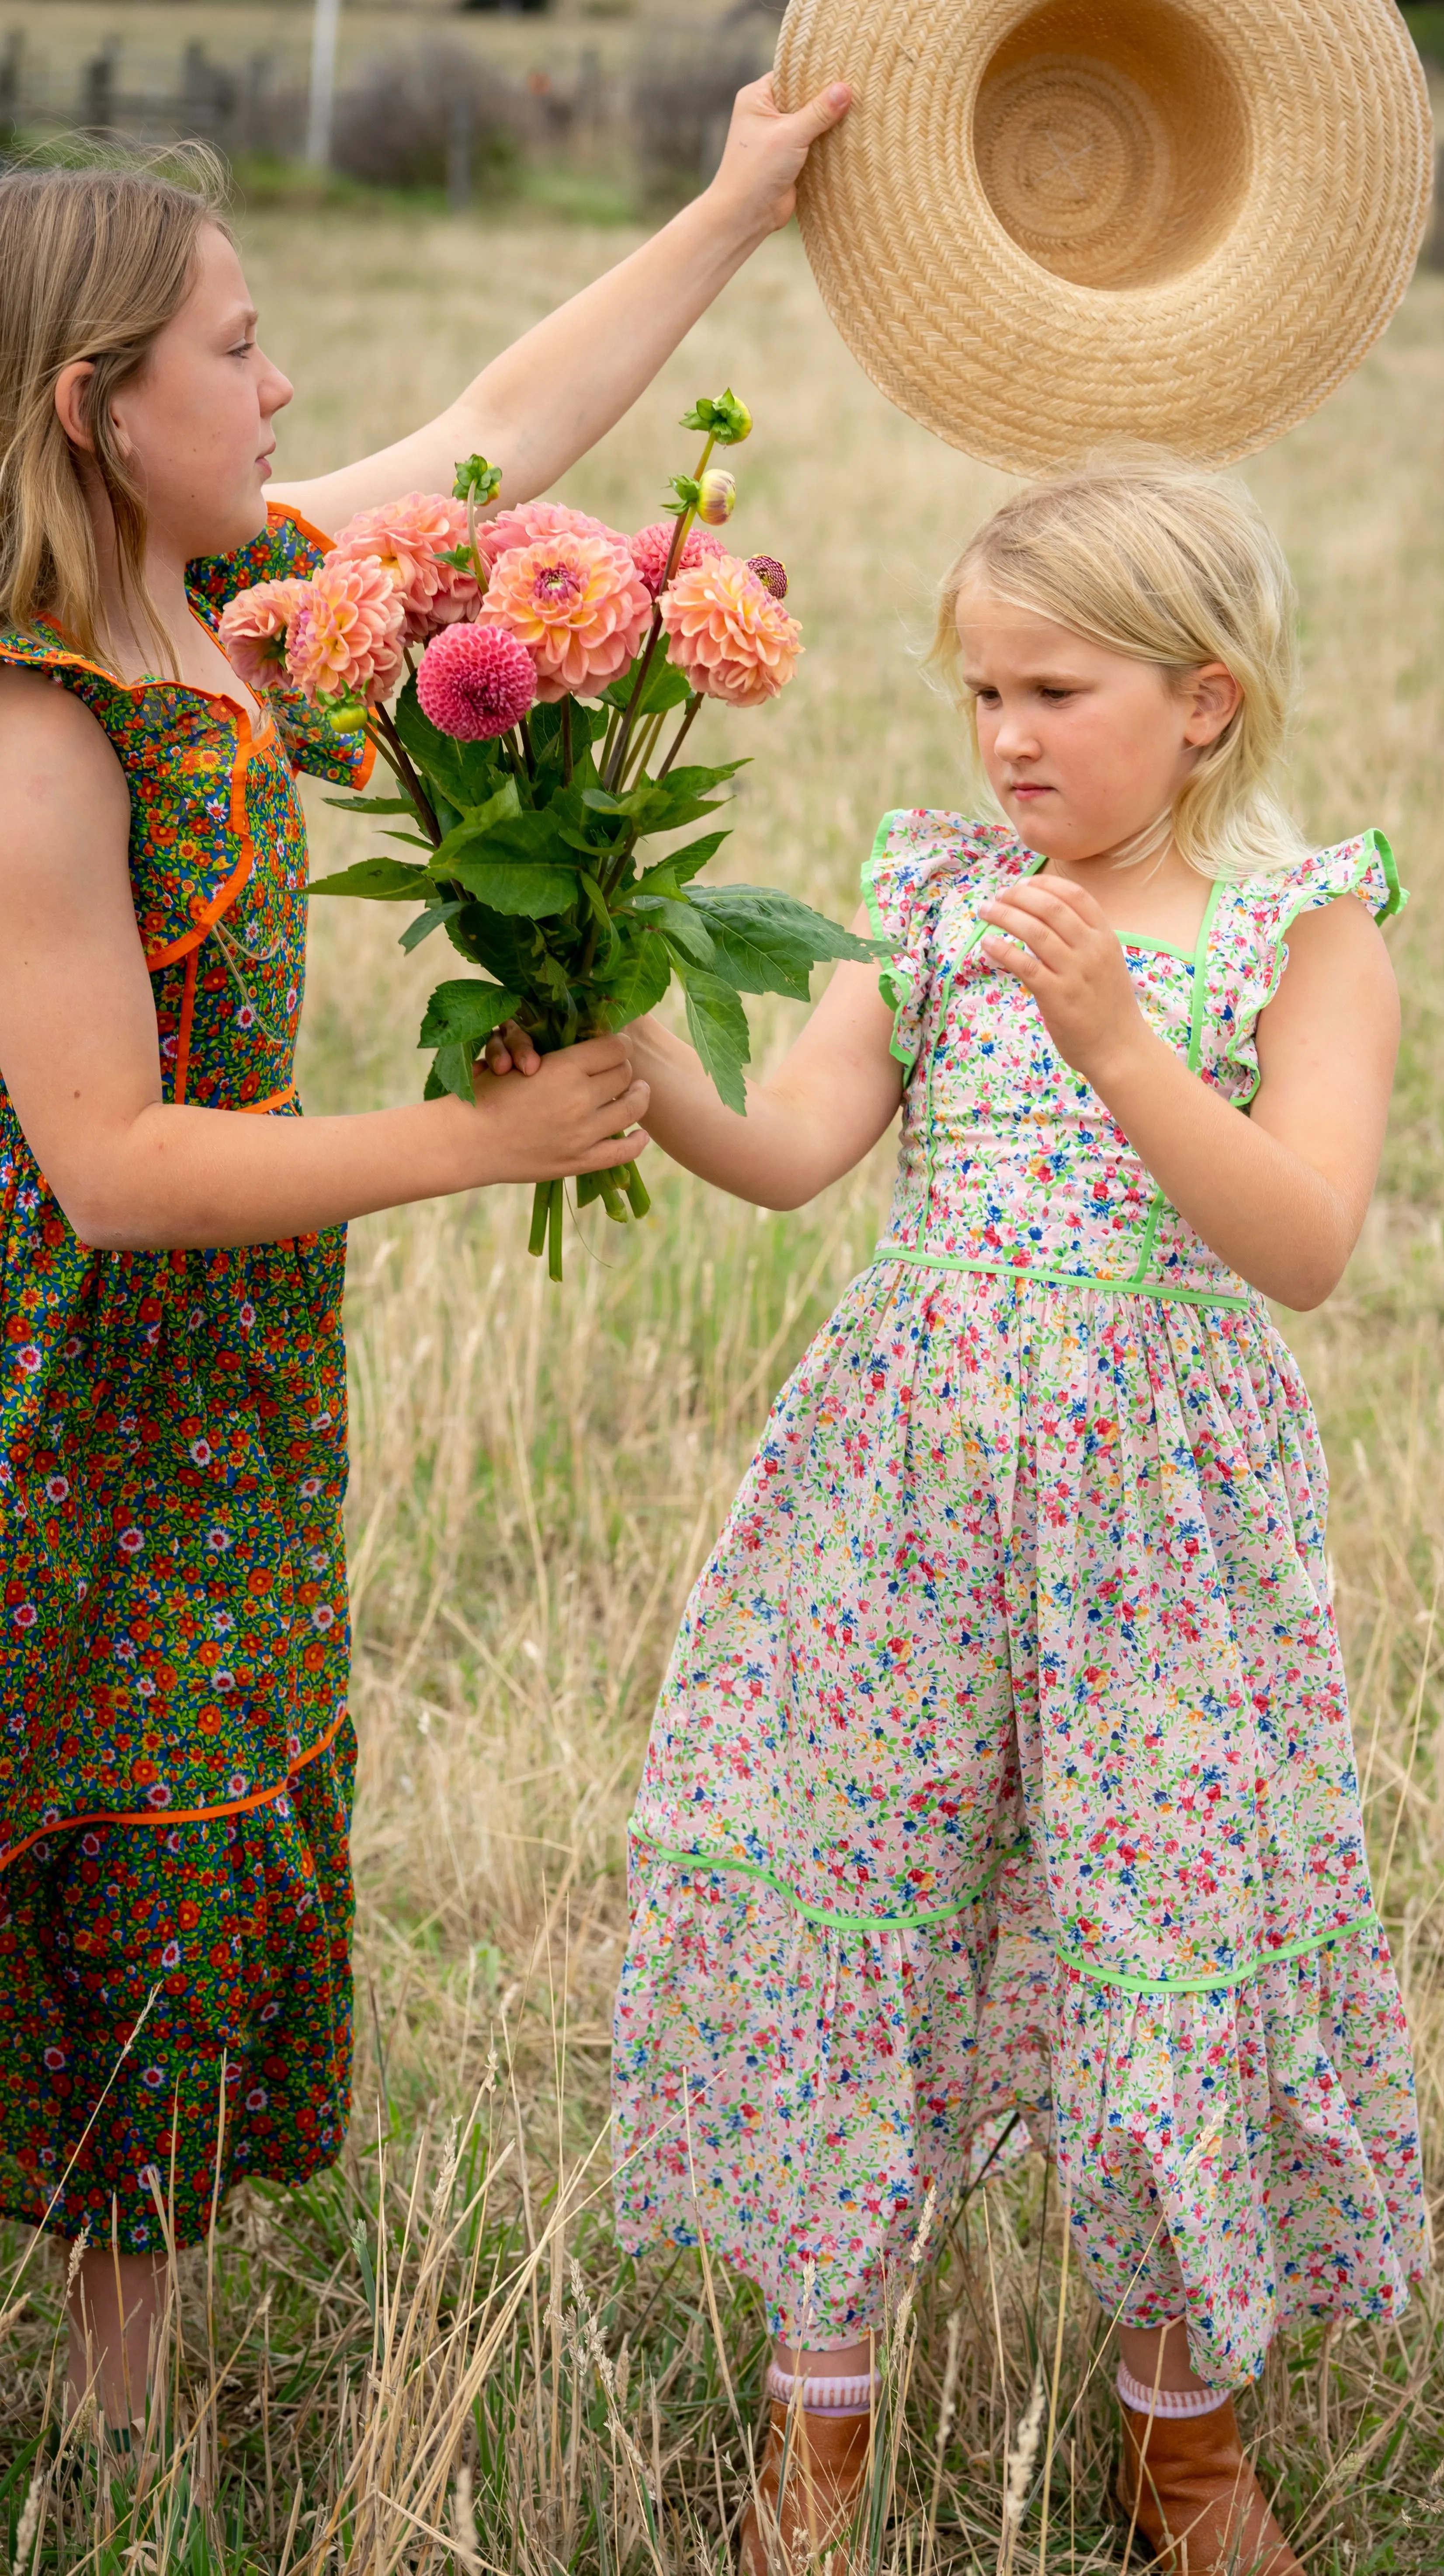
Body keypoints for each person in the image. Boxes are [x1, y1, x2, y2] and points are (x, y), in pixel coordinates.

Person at [0, 70, 849, 2448]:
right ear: (96, 409)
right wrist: (463, 1152)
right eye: (239, 353)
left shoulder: (233, 602)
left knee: (183, 1833)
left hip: (215, 1379)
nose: (281, 391)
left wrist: (731, 208)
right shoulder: (45, 729)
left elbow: (499, 418)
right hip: (60, 1377)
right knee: (81, 1801)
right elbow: (107, 1164)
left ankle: (116, 2409)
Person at [491, 452, 1429, 2570]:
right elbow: (792, 1149)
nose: (1005, 737)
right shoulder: (922, 896)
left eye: (1056, 693)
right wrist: (600, 980)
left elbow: (1302, 1243)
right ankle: (816, 2441)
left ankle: (1182, 2445)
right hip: (904, 1494)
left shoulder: (1304, 929)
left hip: (1160, 1525)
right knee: (861, 1896)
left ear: (1203, 700)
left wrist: (1114, 1037)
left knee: (1163, 1929)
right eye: (978, 693)